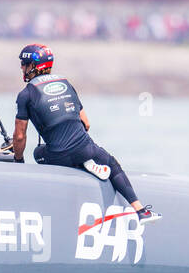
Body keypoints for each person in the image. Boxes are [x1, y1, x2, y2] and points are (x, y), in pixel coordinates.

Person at [11, 43, 160, 224]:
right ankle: (141, 210)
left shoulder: (25, 94)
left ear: (34, 67)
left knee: (38, 153)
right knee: (112, 163)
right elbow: (86, 123)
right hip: (86, 149)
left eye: (24, 64)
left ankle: (80, 167)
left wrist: (18, 161)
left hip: (57, 155)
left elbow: (19, 136)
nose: (21, 67)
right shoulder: (66, 84)